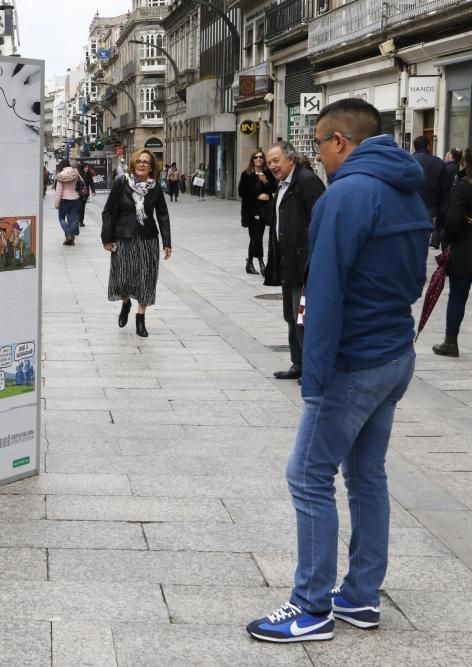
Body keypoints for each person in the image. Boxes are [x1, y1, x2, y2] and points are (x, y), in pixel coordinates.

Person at [247, 98, 432, 643]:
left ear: (340, 143)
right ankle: (359, 597)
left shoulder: (347, 194)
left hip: (354, 359)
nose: (319, 157)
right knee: (366, 475)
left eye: (319, 146)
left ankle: (310, 606)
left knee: (307, 475)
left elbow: (322, 293)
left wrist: (315, 377)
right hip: (394, 351)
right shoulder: (407, 188)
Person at [264, 141, 325, 380]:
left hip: (304, 264)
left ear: (291, 159)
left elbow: (321, 219)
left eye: (276, 161)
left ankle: (311, 368)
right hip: (288, 262)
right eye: (270, 162)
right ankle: (297, 363)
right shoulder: (283, 185)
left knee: (304, 319)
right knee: (291, 316)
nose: (272, 166)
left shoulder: (307, 182)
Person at [100, 149, 172, 337]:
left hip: (148, 237)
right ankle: (126, 303)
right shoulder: (121, 183)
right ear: (133, 163)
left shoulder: (155, 187)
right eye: (139, 161)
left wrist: (167, 242)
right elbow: (108, 211)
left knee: (146, 278)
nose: (141, 164)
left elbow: (162, 214)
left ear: (151, 167)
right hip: (123, 235)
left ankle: (141, 318)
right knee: (122, 277)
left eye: (146, 162)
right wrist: (107, 239)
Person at [433, 147, 472, 357]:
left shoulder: (463, 187)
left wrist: (446, 238)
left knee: (458, 296)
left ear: (465, 162)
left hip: (465, 249)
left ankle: (450, 341)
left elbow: (454, 220)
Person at [237, 150, 276, 275]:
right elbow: (241, 192)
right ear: (252, 160)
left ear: (264, 159)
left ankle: (249, 263)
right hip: (251, 211)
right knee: (256, 238)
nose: (258, 159)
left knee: (256, 238)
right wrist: (257, 196)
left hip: (264, 211)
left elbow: (273, 189)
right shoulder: (247, 174)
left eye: (261, 157)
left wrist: (265, 182)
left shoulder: (268, 173)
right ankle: (260, 262)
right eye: (256, 157)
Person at [412, 135, 450, 248]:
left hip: (410, 205)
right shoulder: (438, 162)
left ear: (415, 147)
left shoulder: (407, 160)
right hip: (431, 207)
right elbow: (445, 188)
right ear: (428, 146)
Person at [54, 160, 82, 246]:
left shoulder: (60, 176)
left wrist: (57, 203)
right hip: (75, 199)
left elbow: (59, 191)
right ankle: (71, 238)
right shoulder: (75, 173)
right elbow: (81, 182)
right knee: (72, 219)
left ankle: (68, 234)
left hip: (64, 200)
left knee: (61, 218)